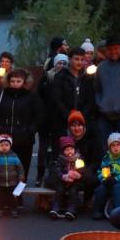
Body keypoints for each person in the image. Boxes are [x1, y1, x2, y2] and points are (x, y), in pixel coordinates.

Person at [0, 68, 44, 180]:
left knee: (22, 168)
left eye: (18, 81)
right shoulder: (2, 94)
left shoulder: (31, 96)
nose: (15, 84)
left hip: (24, 139)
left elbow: (40, 115)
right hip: (4, 138)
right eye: (12, 81)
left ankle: (19, 194)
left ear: (24, 82)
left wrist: (31, 130)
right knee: (4, 167)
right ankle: (6, 193)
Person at [36, 52, 71, 185]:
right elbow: (39, 97)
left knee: (58, 149)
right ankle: (39, 175)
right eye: (59, 63)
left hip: (60, 119)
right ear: (55, 64)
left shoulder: (67, 79)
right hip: (45, 119)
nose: (61, 65)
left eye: (64, 63)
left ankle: (55, 175)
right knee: (43, 149)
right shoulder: (46, 78)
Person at [93, 133, 120, 220]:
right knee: (101, 189)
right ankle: (98, 210)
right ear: (109, 147)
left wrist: (116, 178)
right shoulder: (106, 158)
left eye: (118, 145)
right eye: (113, 145)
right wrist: (104, 179)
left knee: (118, 189)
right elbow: (100, 172)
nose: (115, 147)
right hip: (108, 181)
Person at [65, 110, 100, 206]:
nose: (77, 128)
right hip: (68, 172)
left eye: (79, 125)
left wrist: (83, 171)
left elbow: (97, 161)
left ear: (84, 126)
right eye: (73, 125)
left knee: (93, 178)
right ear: (69, 127)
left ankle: (87, 200)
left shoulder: (92, 140)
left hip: (86, 172)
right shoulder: (65, 141)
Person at [0, 133, 25, 218]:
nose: (4, 147)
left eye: (6, 145)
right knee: (0, 197)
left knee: (13, 197)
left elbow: (20, 168)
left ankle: (14, 209)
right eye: (2, 145)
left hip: (13, 181)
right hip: (0, 181)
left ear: (10, 146)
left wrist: (21, 177)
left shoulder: (14, 156)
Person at [47, 136, 84, 221]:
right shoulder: (61, 159)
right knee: (59, 189)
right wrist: (64, 176)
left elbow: (82, 169)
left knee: (73, 191)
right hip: (64, 181)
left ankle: (72, 210)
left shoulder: (79, 158)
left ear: (74, 149)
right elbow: (57, 170)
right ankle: (55, 208)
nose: (69, 151)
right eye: (67, 150)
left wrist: (78, 174)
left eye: (71, 149)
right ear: (63, 151)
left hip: (75, 182)